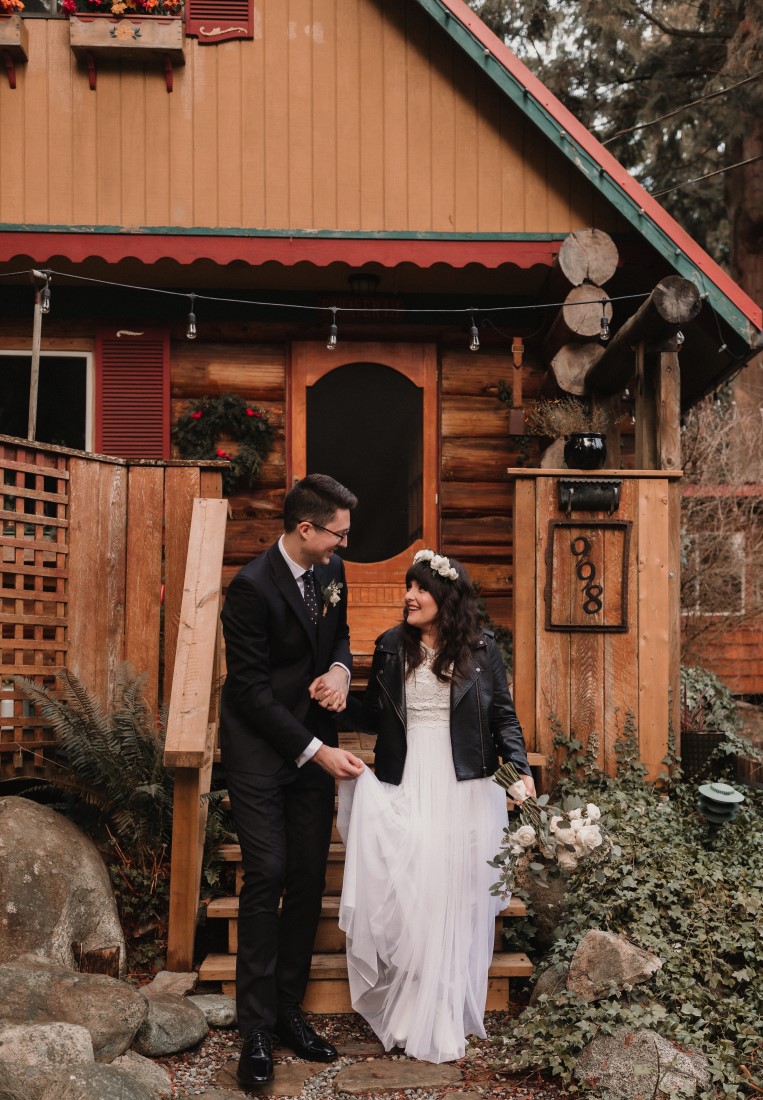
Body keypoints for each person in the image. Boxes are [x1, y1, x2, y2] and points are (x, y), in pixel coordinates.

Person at [336, 549, 535, 1064]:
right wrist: (331, 702)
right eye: (407, 587)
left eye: (419, 588)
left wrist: (521, 776)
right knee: (412, 894)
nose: (409, 596)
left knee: (451, 895)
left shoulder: (482, 649)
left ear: (444, 597)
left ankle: (441, 1011)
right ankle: (409, 1004)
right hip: (406, 778)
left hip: (465, 784)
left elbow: (503, 722)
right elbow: (376, 716)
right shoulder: (388, 647)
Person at [220, 473, 365, 1091]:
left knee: (308, 875)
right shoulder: (250, 589)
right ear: (305, 529)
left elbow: (341, 638)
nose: (343, 546)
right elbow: (250, 694)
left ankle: (286, 1012)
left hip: (312, 740)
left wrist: (337, 670)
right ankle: (252, 1027)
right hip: (259, 748)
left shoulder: (331, 574)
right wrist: (316, 752)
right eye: (338, 534)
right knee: (270, 872)